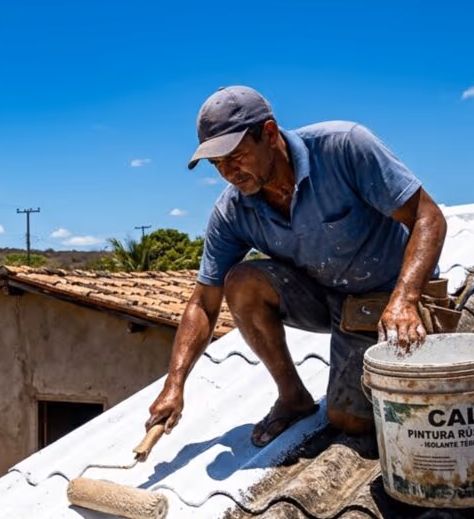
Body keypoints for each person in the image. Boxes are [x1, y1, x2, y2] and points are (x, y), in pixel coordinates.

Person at [147, 86, 447, 446]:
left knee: (348, 420)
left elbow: (427, 217)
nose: (228, 172)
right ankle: (292, 397)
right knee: (241, 281)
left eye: (235, 156)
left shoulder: (344, 147)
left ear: (269, 134)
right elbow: (202, 303)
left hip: (391, 296)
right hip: (328, 298)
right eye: (217, 165)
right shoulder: (233, 210)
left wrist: (406, 298)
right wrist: (174, 385)